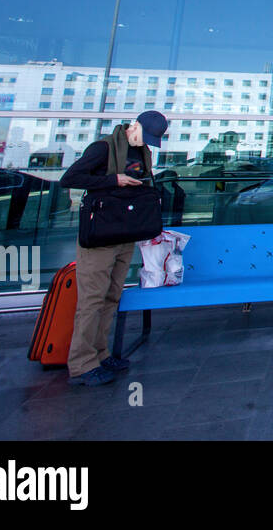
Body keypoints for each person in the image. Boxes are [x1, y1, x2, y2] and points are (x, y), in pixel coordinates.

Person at [59, 110, 168, 386]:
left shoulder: (143, 154)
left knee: (111, 296)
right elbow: (70, 178)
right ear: (133, 126)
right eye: (145, 137)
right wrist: (113, 180)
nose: (146, 144)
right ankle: (82, 364)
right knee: (92, 300)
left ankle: (101, 354)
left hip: (125, 231)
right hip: (100, 234)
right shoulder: (103, 148)